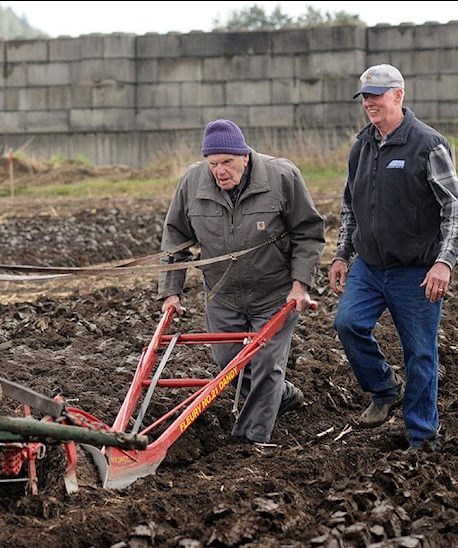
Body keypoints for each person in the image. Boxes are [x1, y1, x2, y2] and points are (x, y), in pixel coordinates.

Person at [158, 119, 325, 444]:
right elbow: (175, 237)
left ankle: (249, 443)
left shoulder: (281, 177)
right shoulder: (193, 182)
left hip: (274, 293)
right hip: (222, 294)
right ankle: (280, 395)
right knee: (229, 365)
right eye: (213, 164)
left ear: (244, 157)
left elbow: (308, 232)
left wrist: (300, 284)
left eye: (227, 163)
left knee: (265, 364)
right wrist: (171, 293)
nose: (220, 171)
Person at [328, 63, 458, 450]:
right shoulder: (361, 145)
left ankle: (422, 436)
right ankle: (385, 389)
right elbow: (350, 205)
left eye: (377, 95)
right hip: (369, 266)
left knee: (419, 352)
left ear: (398, 95)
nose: (370, 103)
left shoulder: (427, 144)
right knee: (348, 324)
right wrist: (340, 255)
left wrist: (444, 262)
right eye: (365, 96)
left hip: (416, 271)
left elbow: (453, 208)